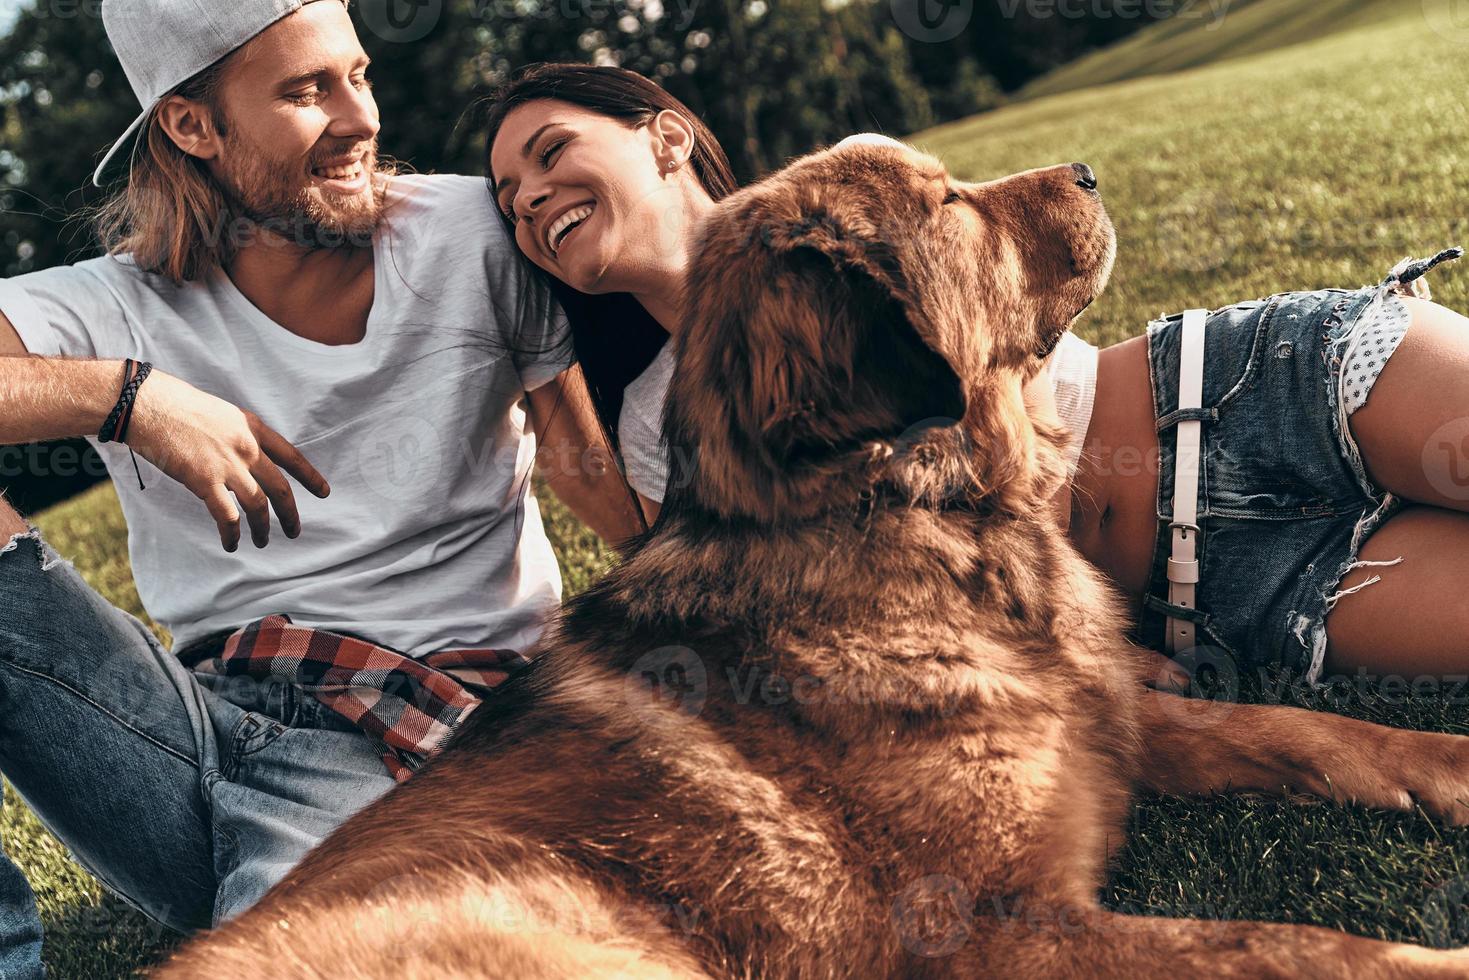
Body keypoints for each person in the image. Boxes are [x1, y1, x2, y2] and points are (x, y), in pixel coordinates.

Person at [0, 5, 643, 976]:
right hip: (192, 740)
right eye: (306, 91)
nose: (360, 118)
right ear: (193, 126)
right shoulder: (117, 306)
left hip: (451, 722)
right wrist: (127, 396)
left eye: (359, 75)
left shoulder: (469, 232)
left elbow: (594, 469)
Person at [485, 62, 1469, 691]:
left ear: (661, 135)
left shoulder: (855, 176)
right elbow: (833, 623)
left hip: (1242, 389)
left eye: (549, 151)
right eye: (508, 197)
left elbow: (1019, 319)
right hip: (1213, 590)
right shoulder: (666, 430)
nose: (529, 196)